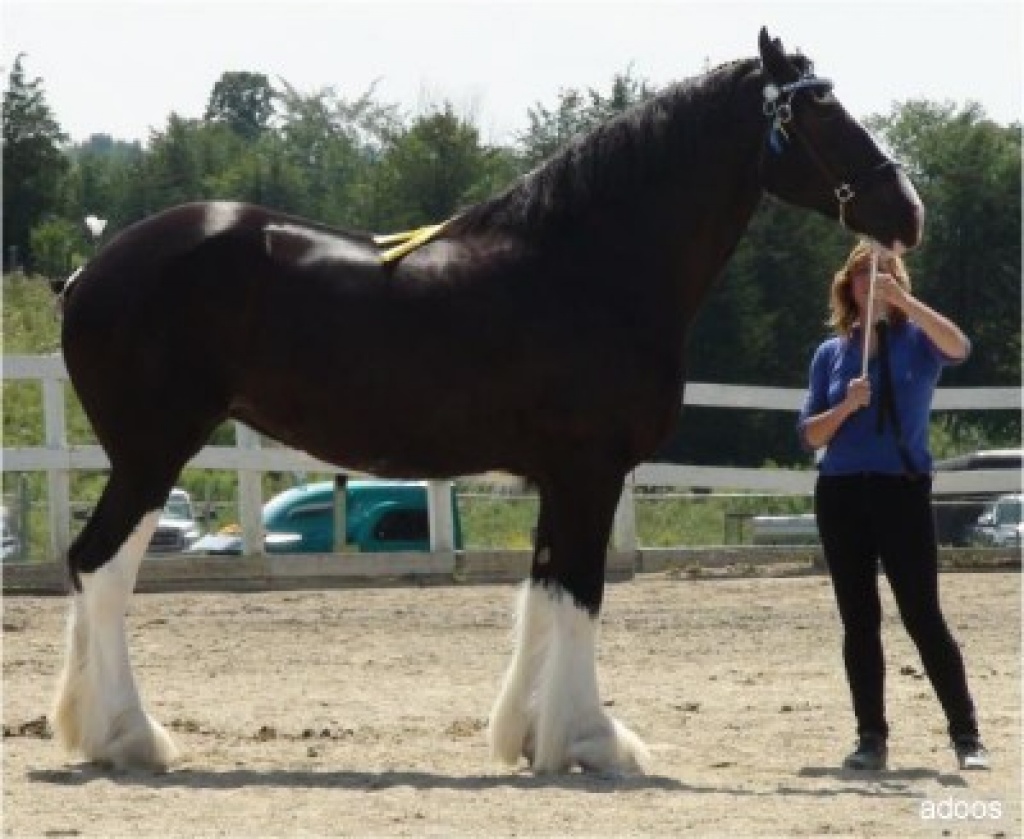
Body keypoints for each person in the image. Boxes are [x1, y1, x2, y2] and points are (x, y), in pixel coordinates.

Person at [797, 240, 989, 772]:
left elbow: (959, 346)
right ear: (848, 287)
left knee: (922, 614)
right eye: (861, 274)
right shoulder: (831, 353)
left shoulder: (916, 343)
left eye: (880, 272)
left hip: (900, 490)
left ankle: (966, 735)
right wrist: (845, 406)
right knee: (859, 619)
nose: (869, 281)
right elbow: (810, 436)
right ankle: (870, 737)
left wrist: (907, 305)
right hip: (841, 492)